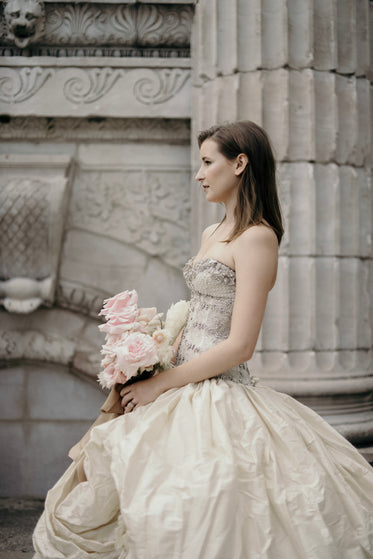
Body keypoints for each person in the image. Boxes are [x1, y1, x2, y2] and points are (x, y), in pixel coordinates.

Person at [33, 121, 373, 559]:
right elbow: (195, 314)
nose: (200, 174)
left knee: (213, 501)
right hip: (180, 381)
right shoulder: (210, 234)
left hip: (220, 390)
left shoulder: (258, 238)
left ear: (240, 164)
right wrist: (150, 355)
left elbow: (240, 346)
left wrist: (159, 384)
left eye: (208, 162)